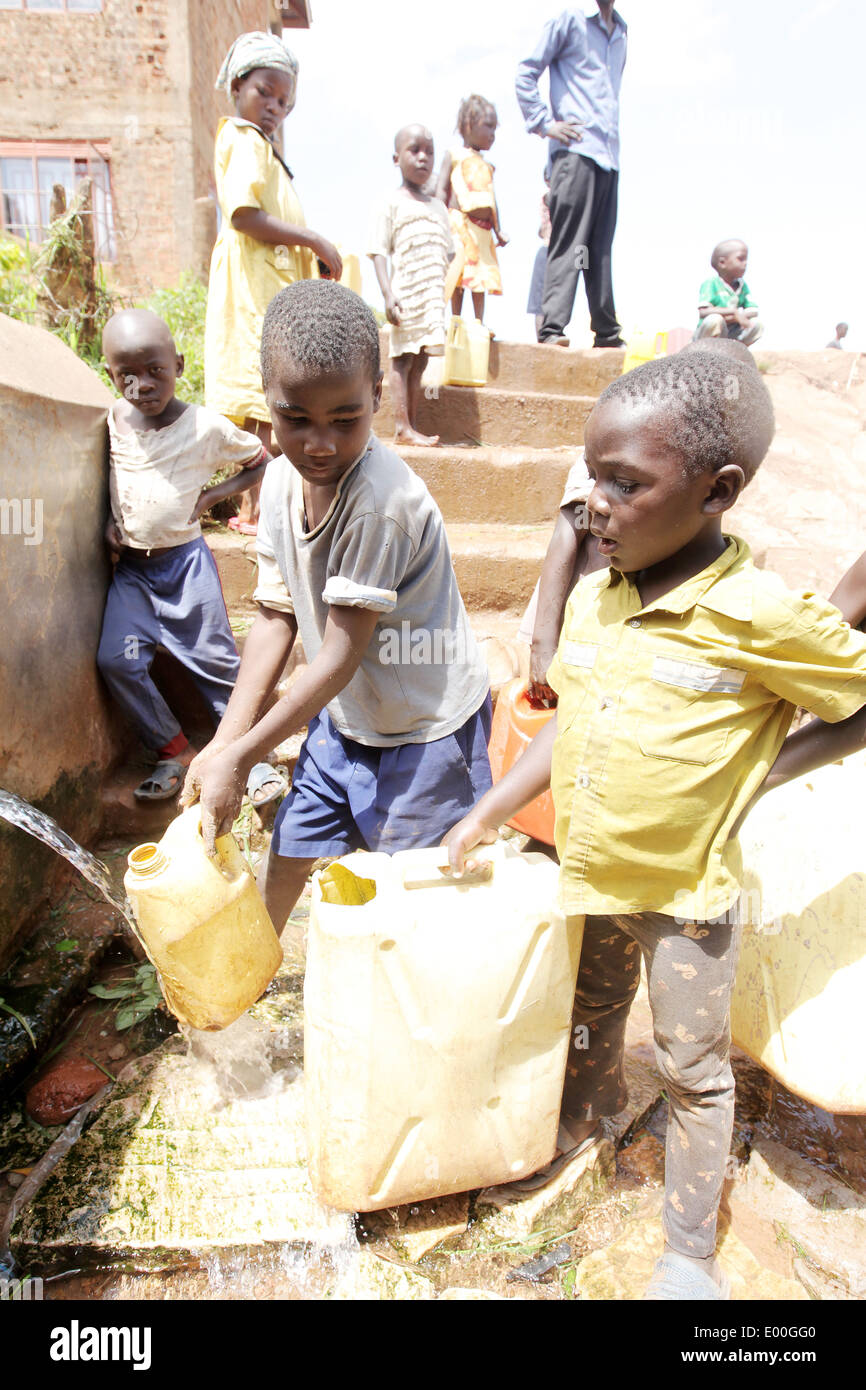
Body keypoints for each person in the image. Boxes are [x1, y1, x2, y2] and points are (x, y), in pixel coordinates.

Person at [444, 350, 866, 1299]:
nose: (595, 502)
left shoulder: (762, 616)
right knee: (592, 1011)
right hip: (593, 873)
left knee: (692, 1071)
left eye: (624, 483)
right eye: (593, 476)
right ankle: (587, 1123)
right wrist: (490, 807)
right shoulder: (599, 596)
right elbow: (573, 726)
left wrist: (766, 770)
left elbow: (857, 698)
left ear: (719, 491)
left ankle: (687, 1251)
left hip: (684, 900)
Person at [181, 281, 493, 938]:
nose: (319, 443)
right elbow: (274, 616)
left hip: (427, 731)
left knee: (414, 891)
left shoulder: (381, 504)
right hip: (348, 719)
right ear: (266, 402)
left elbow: (343, 654)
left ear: (379, 395)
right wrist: (224, 743)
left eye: (345, 420)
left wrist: (243, 759)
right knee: (292, 851)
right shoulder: (279, 483)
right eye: (295, 419)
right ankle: (253, 971)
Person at [98, 309, 269, 802]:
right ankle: (175, 749)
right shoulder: (114, 419)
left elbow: (260, 460)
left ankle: (244, 755)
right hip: (133, 573)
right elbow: (119, 478)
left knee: (215, 663)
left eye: (154, 370)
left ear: (179, 364)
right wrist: (114, 518)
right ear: (110, 374)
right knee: (119, 659)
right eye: (126, 374)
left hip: (185, 568)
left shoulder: (205, 427)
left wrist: (215, 497)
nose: (142, 384)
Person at [205, 31, 342, 533]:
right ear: (238, 84)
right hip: (251, 290)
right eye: (265, 92)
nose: (274, 108)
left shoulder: (267, 150)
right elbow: (244, 214)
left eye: (284, 101)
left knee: (272, 388)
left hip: (271, 287)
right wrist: (313, 241)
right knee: (260, 394)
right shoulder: (242, 139)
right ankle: (253, 510)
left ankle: (257, 506)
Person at [516, 2, 627, 348]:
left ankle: (606, 331)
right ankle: (552, 329)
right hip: (575, 153)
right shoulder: (570, 21)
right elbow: (526, 73)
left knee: (597, 248)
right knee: (571, 242)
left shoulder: (621, 31)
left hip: (608, 154)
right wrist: (544, 124)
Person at [368, 124, 454, 447]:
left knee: (421, 359)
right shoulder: (390, 203)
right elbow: (378, 251)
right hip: (407, 293)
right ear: (396, 158)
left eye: (429, 152)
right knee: (402, 358)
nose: (423, 158)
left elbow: (448, 253)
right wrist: (388, 294)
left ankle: (412, 424)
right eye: (414, 150)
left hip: (432, 296)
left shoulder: (439, 208)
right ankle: (401, 426)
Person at [435, 94, 508, 326]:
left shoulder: (487, 165)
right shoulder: (454, 155)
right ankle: (456, 320)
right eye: (488, 126)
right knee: (459, 274)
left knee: (480, 276)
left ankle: (479, 323)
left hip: (483, 231)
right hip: (460, 224)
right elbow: (441, 190)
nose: (492, 134)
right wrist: (439, 218)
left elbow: (492, 200)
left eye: (495, 128)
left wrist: (499, 231)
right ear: (468, 125)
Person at [694, 239, 763, 346]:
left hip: (731, 332)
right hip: (711, 332)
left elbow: (754, 310)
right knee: (715, 320)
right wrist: (734, 313)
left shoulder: (742, 286)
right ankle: (706, 348)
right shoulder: (711, 283)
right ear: (722, 263)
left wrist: (737, 317)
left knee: (757, 324)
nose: (745, 264)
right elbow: (703, 311)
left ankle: (736, 348)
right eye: (740, 259)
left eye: (746, 260)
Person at [526, 176, 552, 339]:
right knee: (540, 304)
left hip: (551, 251)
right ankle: (542, 339)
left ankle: (547, 337)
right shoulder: (548, 195)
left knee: (546, 303)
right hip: (548, 250)